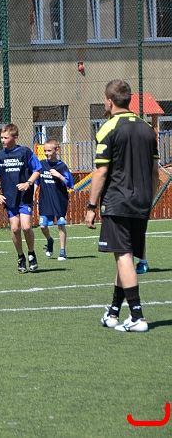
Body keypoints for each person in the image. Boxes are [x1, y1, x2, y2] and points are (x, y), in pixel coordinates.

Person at [86, 79, 159, 333]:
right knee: (124, 254)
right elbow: (154, 172)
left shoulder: (108, 128)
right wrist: (149, 199)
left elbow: (101, 171)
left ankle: (137, 316)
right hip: (142, 201)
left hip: (118, 201)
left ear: (109, 101)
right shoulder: (148, 129)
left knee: (123, 256)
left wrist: (91, 206)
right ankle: (113, 313)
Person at [0, 124, 42, 274]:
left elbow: (37, 170)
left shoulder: (25, 152)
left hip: (24, 197)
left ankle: (31, 253)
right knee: (15, 228)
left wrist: (28, 183)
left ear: (15, 138)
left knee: (26, 227)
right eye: (1, 138)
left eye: (6, 138)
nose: (2, 140)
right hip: (10, 198)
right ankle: (20, 256)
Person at [36, 139, 74, 261]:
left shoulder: (62, 166)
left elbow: (70, 183)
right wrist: (32, 193)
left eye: (49, 150)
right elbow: (36, 180)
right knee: (43, 226)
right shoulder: (41, 164)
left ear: (57, 150)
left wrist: (59, 175)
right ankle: (49, 240)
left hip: (59, 200)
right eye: (45, 151)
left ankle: (63, 251)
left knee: (61, 224)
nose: (46, 153)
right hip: (45, 200)